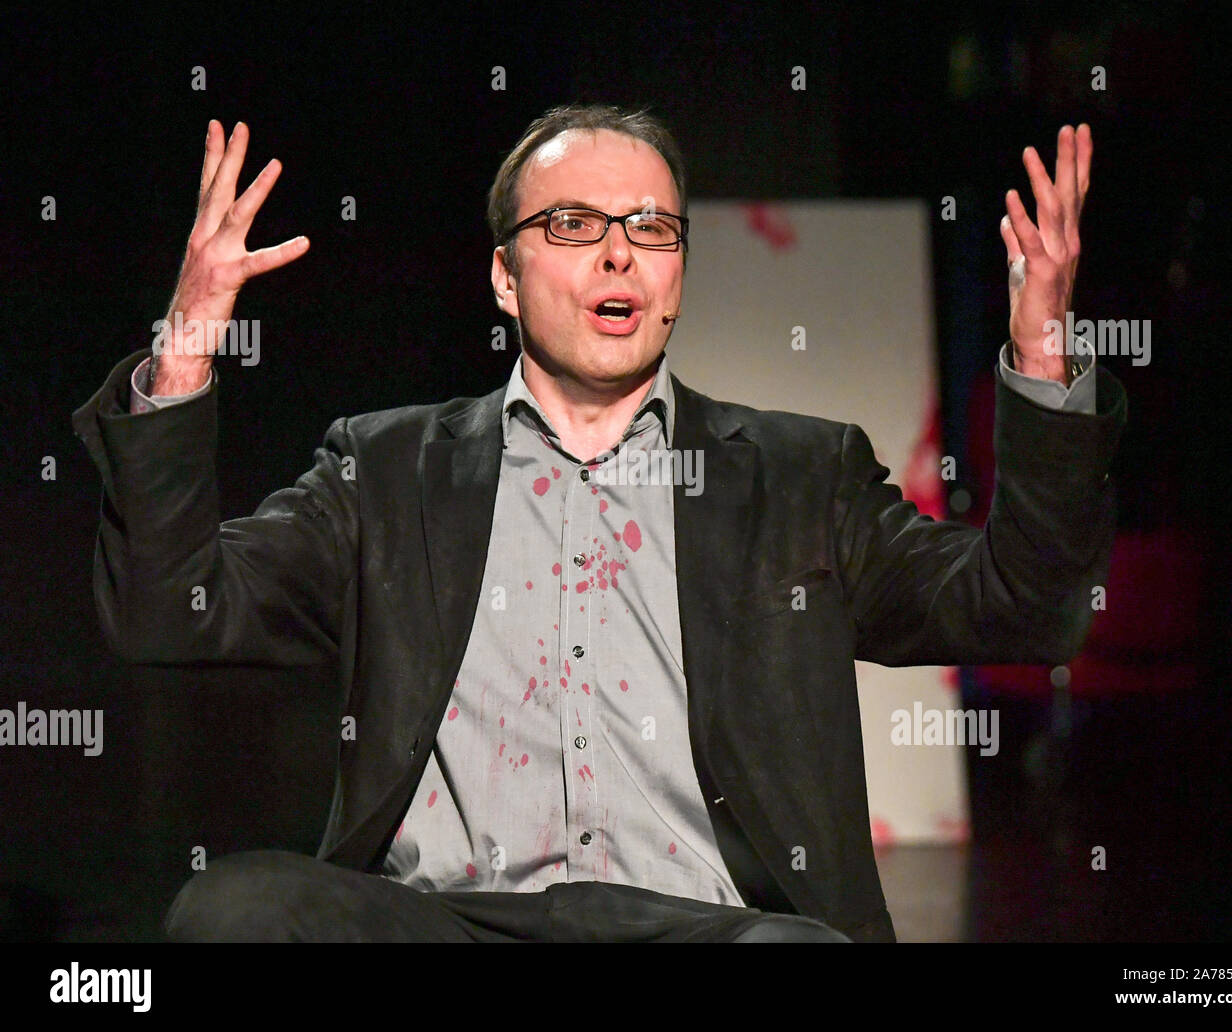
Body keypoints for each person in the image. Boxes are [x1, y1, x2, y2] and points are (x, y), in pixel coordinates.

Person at [72, 104, 1125, 943]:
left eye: (651, 230)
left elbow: (1023, 611)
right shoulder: (384, 471)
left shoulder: (798, 477)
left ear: (675, 277)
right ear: (503, 275)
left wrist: (1038, 365)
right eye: (572, 226)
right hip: (449, 919)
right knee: (237, 912)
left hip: (709, 923)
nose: (619, 255)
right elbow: (170, 612)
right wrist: (187, 347)